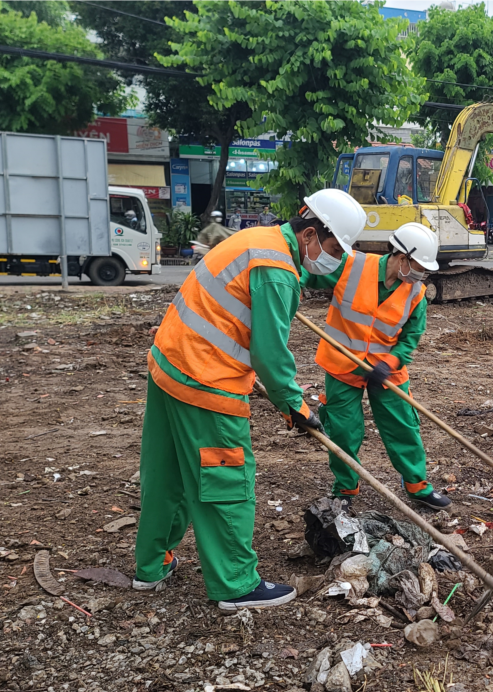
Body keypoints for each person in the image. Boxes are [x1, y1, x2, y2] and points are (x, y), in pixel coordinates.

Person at [134, 188, 365, 611]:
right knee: (225, 486)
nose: (332, 259)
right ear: (310, 234)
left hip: (169, 366)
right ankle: (236, 584)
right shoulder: (277, 271)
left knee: (166, 478)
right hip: (206, 384)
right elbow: (271, 354)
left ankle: (151, 565)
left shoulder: (259, 242)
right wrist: (294, 405)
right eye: (332, 249)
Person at [303, 223, 451, 509]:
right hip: (343, 365)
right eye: (420, 266)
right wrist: (285, 288)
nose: (423, 274)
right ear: (402, 256)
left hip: (386, 371)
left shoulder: (416, 293)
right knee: (343, 430)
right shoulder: (351, 266)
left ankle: (417, 485)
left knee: (403, 426)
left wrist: (391, 361)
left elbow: (410, 337)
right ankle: (346, 489)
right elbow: (308, 275)